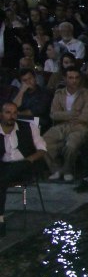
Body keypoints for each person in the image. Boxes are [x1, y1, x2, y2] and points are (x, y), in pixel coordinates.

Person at [0, 101, 47, 235]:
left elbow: (42, 149)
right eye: (8, 112)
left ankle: (0, 219)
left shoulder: (29, 127)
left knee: (2, 179)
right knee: (2, 178)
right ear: (1, 115)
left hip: (25, 165)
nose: (12, 116)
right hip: (4, 166)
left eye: (14, 112)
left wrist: (29, 159)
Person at [42, 68, 88, 182]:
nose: (74, 81)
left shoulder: (87, 94)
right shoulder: (59, 94)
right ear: (65, 79)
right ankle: (56, 170)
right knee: (43, 141)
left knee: (71, 144)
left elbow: (85, 117)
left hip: (80, 127)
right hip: (61, 126)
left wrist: (63, 115)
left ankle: (68, 170)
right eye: (71, 78)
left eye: (76, 78)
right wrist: (71, 114)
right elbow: (53, 114)